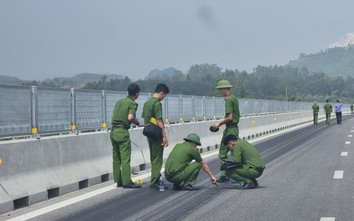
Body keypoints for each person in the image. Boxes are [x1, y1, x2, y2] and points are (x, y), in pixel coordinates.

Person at [110, 83, 141, 189]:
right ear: (136, 94)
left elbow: (113, 115)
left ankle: (119, 181)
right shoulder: (133, 103)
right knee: (125, 158)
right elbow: (130, 117)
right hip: (122, 132)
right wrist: (137, 122)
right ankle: (127, 181)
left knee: (116, 157)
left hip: (113, 131)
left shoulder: (119, 102)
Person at [142, 83, 170, 189]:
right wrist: (164, 135)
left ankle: (156, 177)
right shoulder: (157, 104)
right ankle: (155, 181)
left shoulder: (147, 103)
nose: (164, 98)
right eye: (165, 96)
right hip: (156, 133)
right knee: (158, 158)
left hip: (149, 132)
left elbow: (145, 118)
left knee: (153, 156)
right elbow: (159, 120)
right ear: (161, 93)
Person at [213, 80, 240, 183]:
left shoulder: (229, 100)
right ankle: (225, 174)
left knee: (233, 152)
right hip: (231, 128)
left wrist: (219, 124)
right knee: (223, 152)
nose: (220, 92)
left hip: (231, 128)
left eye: (220, 89)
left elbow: (230, 117)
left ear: (225, 89)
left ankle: (238, 174)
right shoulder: (234, 98)